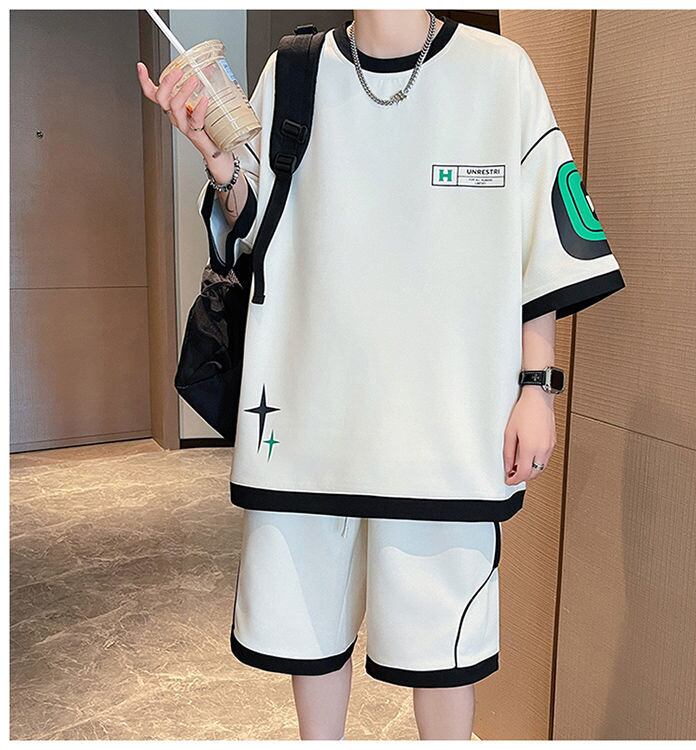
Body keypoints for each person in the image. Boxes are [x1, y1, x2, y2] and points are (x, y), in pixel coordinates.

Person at [137, 9, 625, 740]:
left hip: (446, 422)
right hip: (306, 408)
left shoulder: (499, 73)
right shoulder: (292, 70)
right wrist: (221, 168)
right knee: (309, 632)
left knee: (443, 648)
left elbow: (540, 243)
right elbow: (257, 226)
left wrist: (537, 388)